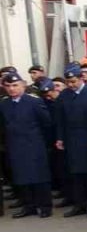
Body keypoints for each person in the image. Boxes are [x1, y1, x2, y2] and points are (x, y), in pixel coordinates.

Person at [55, 66, 87, 217]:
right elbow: (60, 119)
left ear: (81, 78)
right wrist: (60, 138)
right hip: (72, 141)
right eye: (68, 82)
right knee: (76, 176)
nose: (71, 85)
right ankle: (79, 205)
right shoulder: (64, 95)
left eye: (73, 81)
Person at [0, 73, 54, 217]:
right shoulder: (4, 104)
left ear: (23, 85)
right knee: (21, 177)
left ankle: (45, 206)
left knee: (40, 177)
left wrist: (45, 143)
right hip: (15, 145)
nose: (11, 89)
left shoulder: (34, 101)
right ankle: (29, 206)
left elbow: (46, 124)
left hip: (34, 145)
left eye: (15, 85)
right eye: (8, 86)